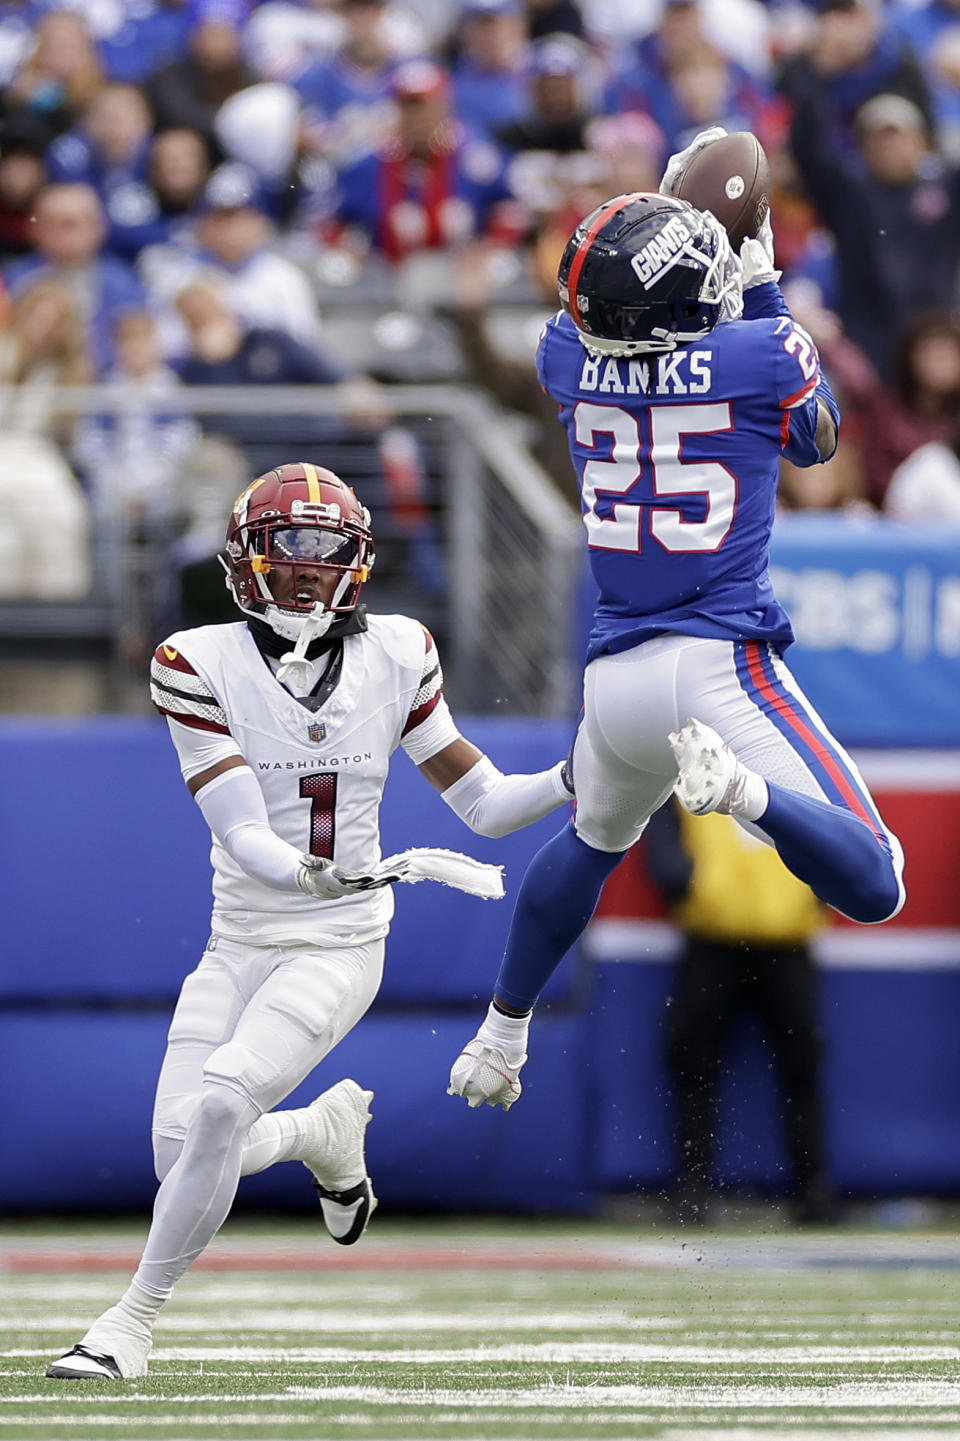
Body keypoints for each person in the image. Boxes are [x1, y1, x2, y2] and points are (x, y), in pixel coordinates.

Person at [45, 461, 574, 1381]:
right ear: (245, 560)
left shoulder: (400, 652)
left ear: (355, 563)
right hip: (241, 935)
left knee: (218, 1107)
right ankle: (321, 1133)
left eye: (323, 550)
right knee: (184, 1149)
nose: (301, 569)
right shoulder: (194, 660)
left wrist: (578, 778)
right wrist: (307, 870)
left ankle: (129, 1324)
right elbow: (242, 828)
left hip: (339, 943)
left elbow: (485, 803)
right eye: (284, 547)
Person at [446, 131, 905, 1116]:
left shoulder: (564, 354)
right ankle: (743, 793)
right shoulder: (756, 348)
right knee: (878, 878)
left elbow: (625, 318)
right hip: (718, 664)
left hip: (615, 678)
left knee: (590, 840)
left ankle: (500, 1030)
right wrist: (763, 275)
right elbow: (818, 440)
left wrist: (708, 268)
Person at [645, 800, 834, 1227]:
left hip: (787, 939)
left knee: (802, 1064)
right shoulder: (687, 766)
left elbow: (831, 836)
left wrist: (815, 893)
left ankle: (813, 1191)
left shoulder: (794, 775)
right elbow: (662, 834)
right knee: (692, 1064)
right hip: (712, 938)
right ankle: (692, 1189)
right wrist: (687, 882)